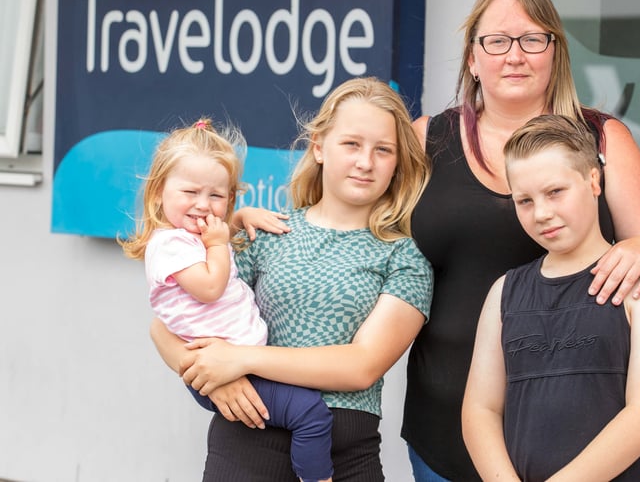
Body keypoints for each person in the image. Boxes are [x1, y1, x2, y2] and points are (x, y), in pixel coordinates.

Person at [402, 0, 640, 479]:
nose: (514, 56)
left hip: (583, 433)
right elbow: (352, 230)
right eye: (497, 41)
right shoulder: (426, 138)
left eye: (533, 39)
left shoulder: (601, 140)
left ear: (555, 51)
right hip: (448, 424)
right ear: (472, 57)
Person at [148, 77, 434, 481]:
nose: (365, 161)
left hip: (345, 457)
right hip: (247, 445)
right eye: (351, 144)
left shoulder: (405, 256)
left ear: (398, 161)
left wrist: (241, 359)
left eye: (383, 150)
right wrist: (211, 381)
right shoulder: (266, 232)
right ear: (319, 146)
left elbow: (362, 366)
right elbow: (166, 327)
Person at [462, 114, 640, 480]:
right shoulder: (504, 293)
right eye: (525, 201)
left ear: (593, 181)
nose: (542, 213)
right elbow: (480, 409)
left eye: (555, 192)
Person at [119, 118, 335, 482]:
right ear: (158, 192)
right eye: (190, 193)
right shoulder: (169, 245)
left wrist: (239, 217)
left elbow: (215, 232)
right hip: (220, 371)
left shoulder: (191, 235)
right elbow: (209, 287)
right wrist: (220, 242)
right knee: (311, 414)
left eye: (217, 196)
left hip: (238, 363)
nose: (204, 206)